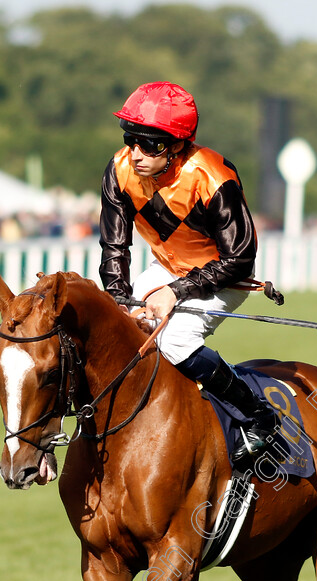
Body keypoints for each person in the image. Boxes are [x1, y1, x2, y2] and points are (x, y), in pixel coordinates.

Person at [99, 81, 279, 464]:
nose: (137, 154)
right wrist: (118, 298)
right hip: (164, 267)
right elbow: (115, 247)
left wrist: (176, 292)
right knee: (117, 331)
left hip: (223, 277)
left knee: (176, 342)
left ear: (178, 145)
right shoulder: (118, 170)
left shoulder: (213, 176)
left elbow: (241, 259)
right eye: (132, 139)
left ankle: (259, 415)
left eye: (151, 145)